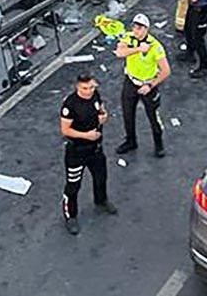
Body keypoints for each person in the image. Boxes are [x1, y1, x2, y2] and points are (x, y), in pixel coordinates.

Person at [60, 71, 116, 235]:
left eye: (91, 87)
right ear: (78, 87)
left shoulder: (95, 95)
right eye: (85, 88)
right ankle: (71, 216)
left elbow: (101, 109)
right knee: (73, 186)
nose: (89, 91)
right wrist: (86, 135)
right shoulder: (70, 105)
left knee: (101, 177)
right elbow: (65, 130)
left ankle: (101, 200)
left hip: (96, 149)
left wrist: (103, 116)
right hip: (77, 151)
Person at [112, 13, 169, 156]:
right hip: (131, 82)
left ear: (147, 29)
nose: (136, 31)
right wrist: (138, 49)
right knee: (127, 113)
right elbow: (119, 52)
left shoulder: (155, 46)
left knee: (153, 116)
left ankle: (158, 143)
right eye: (135, 27)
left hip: (148, 85)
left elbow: (166, 70)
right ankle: (131, 141)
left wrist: (150, 85)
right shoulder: (128, 37)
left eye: (140, 28)